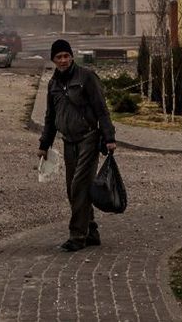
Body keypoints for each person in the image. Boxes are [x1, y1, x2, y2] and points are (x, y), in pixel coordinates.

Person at [37, 39, 116, 252]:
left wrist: (109, 137)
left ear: (72, 56)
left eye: (66, 56)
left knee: (78, 186)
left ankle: (77, 236)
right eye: (58, 57)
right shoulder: (53, 84)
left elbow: (102, 109)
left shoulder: (86, 77)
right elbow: (50, 117)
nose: (63, 60)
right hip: (68, 141)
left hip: (89, 138)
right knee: (72, 190)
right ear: (53, 60)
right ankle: (91, 231)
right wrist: (44, 144)